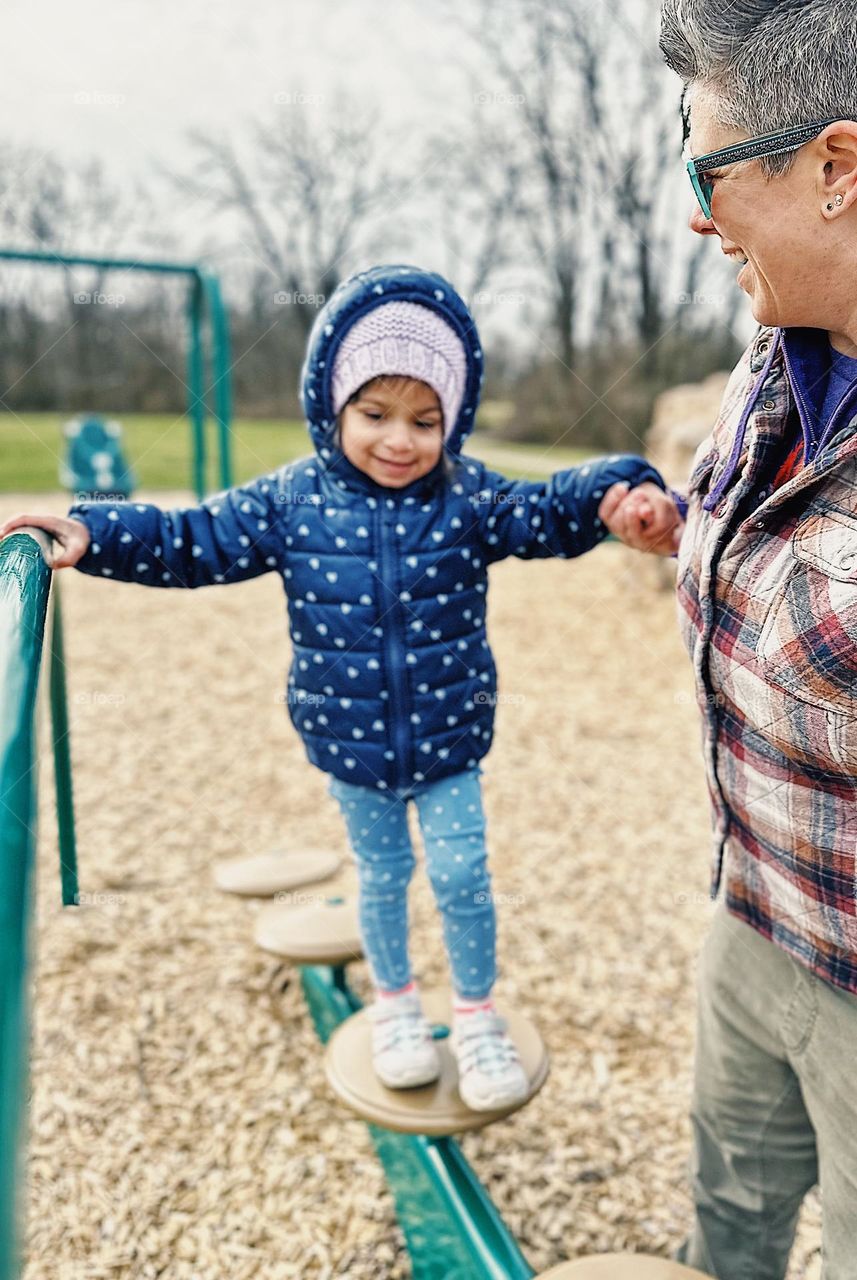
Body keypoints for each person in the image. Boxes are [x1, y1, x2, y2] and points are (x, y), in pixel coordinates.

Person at [1, 264, 679, 1111]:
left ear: (453, 421)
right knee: (382, 873)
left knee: (464, 874)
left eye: (425, 421)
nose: (400, 440)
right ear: (331, 408)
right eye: (374, 414)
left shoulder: (465, 497)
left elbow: (548, 509)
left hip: (448, 737)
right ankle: (395, 1007)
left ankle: (473, 1015)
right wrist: (94, 532)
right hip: (349, 742)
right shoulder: (293, 499)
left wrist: (620, 486)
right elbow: (192, 539)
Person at [599, 3, 857, 1275]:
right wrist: (695, 539)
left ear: (834, 168)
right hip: (754, 905)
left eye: (708, 167)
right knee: (729, 1216)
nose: (694, 213)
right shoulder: (782, 345)